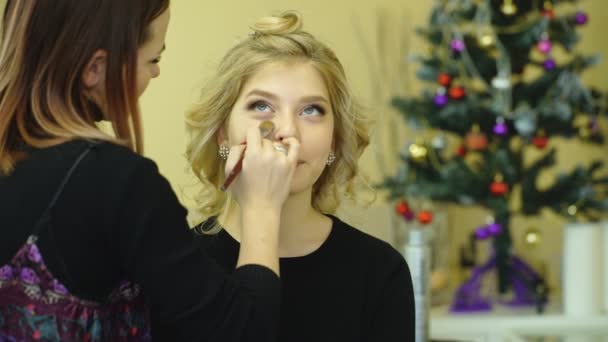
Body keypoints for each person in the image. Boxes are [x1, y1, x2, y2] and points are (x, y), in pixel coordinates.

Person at [0, 1, 297, 341]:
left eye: (311, 109)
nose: (156, 73)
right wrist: (261, 206)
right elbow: (243, 332)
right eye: (153, 59)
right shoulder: (115, 181)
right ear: (96, 68)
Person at [186, 11, 415, 342]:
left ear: (335, 140)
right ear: (223, 134)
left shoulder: (379, 271)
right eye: (262, 106)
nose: (287, 131)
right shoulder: (180, 265)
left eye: (312, 111)